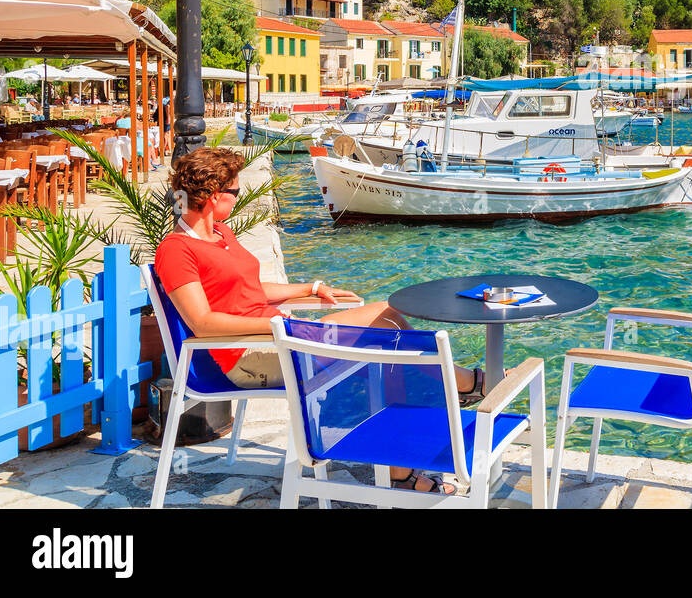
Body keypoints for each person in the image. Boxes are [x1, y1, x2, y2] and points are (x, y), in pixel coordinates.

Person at [154, 147, 485, 494]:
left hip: (281, 338)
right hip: (251, 356)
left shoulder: (222, 235)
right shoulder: (177, 250)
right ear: (210, 196)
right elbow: (203, 322)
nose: (239, 198)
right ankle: (456, 391)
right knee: (384, 339)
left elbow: (248, 290)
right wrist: (276, 326)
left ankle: (440, 410)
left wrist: (310, 288)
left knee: (386, 315)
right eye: (235, 191)